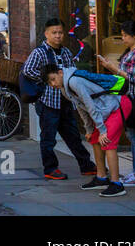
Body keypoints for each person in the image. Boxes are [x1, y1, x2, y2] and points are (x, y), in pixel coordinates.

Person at [21, 19, 98, 182]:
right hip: (48, 101)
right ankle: (50, 169)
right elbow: (27, 70)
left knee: (73, 136)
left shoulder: (66, 52)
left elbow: (72, 72)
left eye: (60, 32)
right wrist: (47, 80)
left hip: (65, 101)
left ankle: (86, 166)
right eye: (54, 33)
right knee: (48, 138)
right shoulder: (40, 52)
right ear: (46, 34)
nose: (58, 36)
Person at [44, 63, 131, 198]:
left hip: (118, 105)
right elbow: (81, 107)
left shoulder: (74, 81)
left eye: (53, 79)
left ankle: (116, 184)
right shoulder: (64, 88)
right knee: (95, 140)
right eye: (49, 83)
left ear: (60, 72)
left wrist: (102, 130)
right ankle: (101, 178)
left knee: (107, 141)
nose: (52, 84)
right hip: (105, 111)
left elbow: (90, 105)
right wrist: (90, 129)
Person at [98, 19, 135, 188]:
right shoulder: (131, 51)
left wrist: (113, 68)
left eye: (125, 35)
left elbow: (132, 78)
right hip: (127, 98)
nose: (123, 39)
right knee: (133, 135)